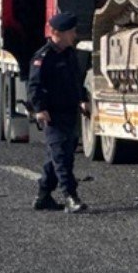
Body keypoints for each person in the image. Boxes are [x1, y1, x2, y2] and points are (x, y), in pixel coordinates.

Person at [28, 11, 91, 214]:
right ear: (56, 33)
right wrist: (40, 109)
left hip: (69, 112)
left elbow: (75, 79)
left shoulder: (69, 54)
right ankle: (70, 197)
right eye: (70, 32)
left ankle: (43, 196)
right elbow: (34, 86)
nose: (74, 35)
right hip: (52, 114)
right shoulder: (43, 57)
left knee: (56, 157)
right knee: (62, 158)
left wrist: (82, 99)